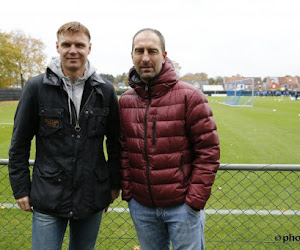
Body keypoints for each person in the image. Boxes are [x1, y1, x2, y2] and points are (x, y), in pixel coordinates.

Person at [8, 21, 121, 250]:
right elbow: (19, 143)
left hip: (92, 196)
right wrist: (20, 188)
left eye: (79, 44)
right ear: (57, 47)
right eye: (67, 44)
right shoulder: (36, 87)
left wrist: (113, 184)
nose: (73, 50)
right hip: (48, 196)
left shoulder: (105, 91)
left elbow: (116, 143)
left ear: (89, 48)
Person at [119, 28, 220, 250]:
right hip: (142, 207)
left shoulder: (190, 96)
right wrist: (130, 194)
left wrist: (193, 201)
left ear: (164, 56)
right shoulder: (125, 101)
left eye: (152, 51)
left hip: (182, 208)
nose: (145, 57)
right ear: (132, 55)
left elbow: (208, 152)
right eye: (139, 51)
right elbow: (123, 151)